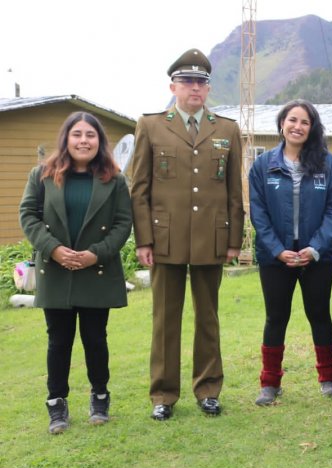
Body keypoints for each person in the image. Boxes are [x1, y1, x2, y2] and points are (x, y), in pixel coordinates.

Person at [129, 48, 245, 420]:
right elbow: (139, 188)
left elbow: (233, 191)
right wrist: (144, 239)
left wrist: (233, 241)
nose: (194, 88)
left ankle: (208, 388)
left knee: (207, 317)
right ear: (173, 86)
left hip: (211, 238)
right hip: (165, 239)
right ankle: (163, 395)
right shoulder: (150, 125)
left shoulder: (226, 129)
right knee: (165, 319)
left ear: (208, 89)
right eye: (187, 81)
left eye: (201, 82)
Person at [19, 111, 133, 434]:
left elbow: (124, 223)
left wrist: (94, 254)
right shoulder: (41, 175)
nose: (84, 140)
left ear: (100, 141)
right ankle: (57, 404)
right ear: (66, 138)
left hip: (95, 270)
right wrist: (53, 249)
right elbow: (28, 216)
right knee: (58, 341)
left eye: (91, 135)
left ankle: (100, 397)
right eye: (78, 134)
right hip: (56, 271)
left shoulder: (115, 179)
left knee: (96, 339)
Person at [249, 100, 332, 405]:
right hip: (274, 258)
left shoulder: (327, 164)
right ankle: (269, 384)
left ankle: (329, 379)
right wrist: (278, 251)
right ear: (282, 124)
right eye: (292, 120)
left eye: (305, 122)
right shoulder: (262, 165)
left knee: (319, 314)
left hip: (317, 257)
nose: (298, 126)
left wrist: (315, 248)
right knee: (276, 317)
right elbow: (258, 213)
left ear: (312, 128)